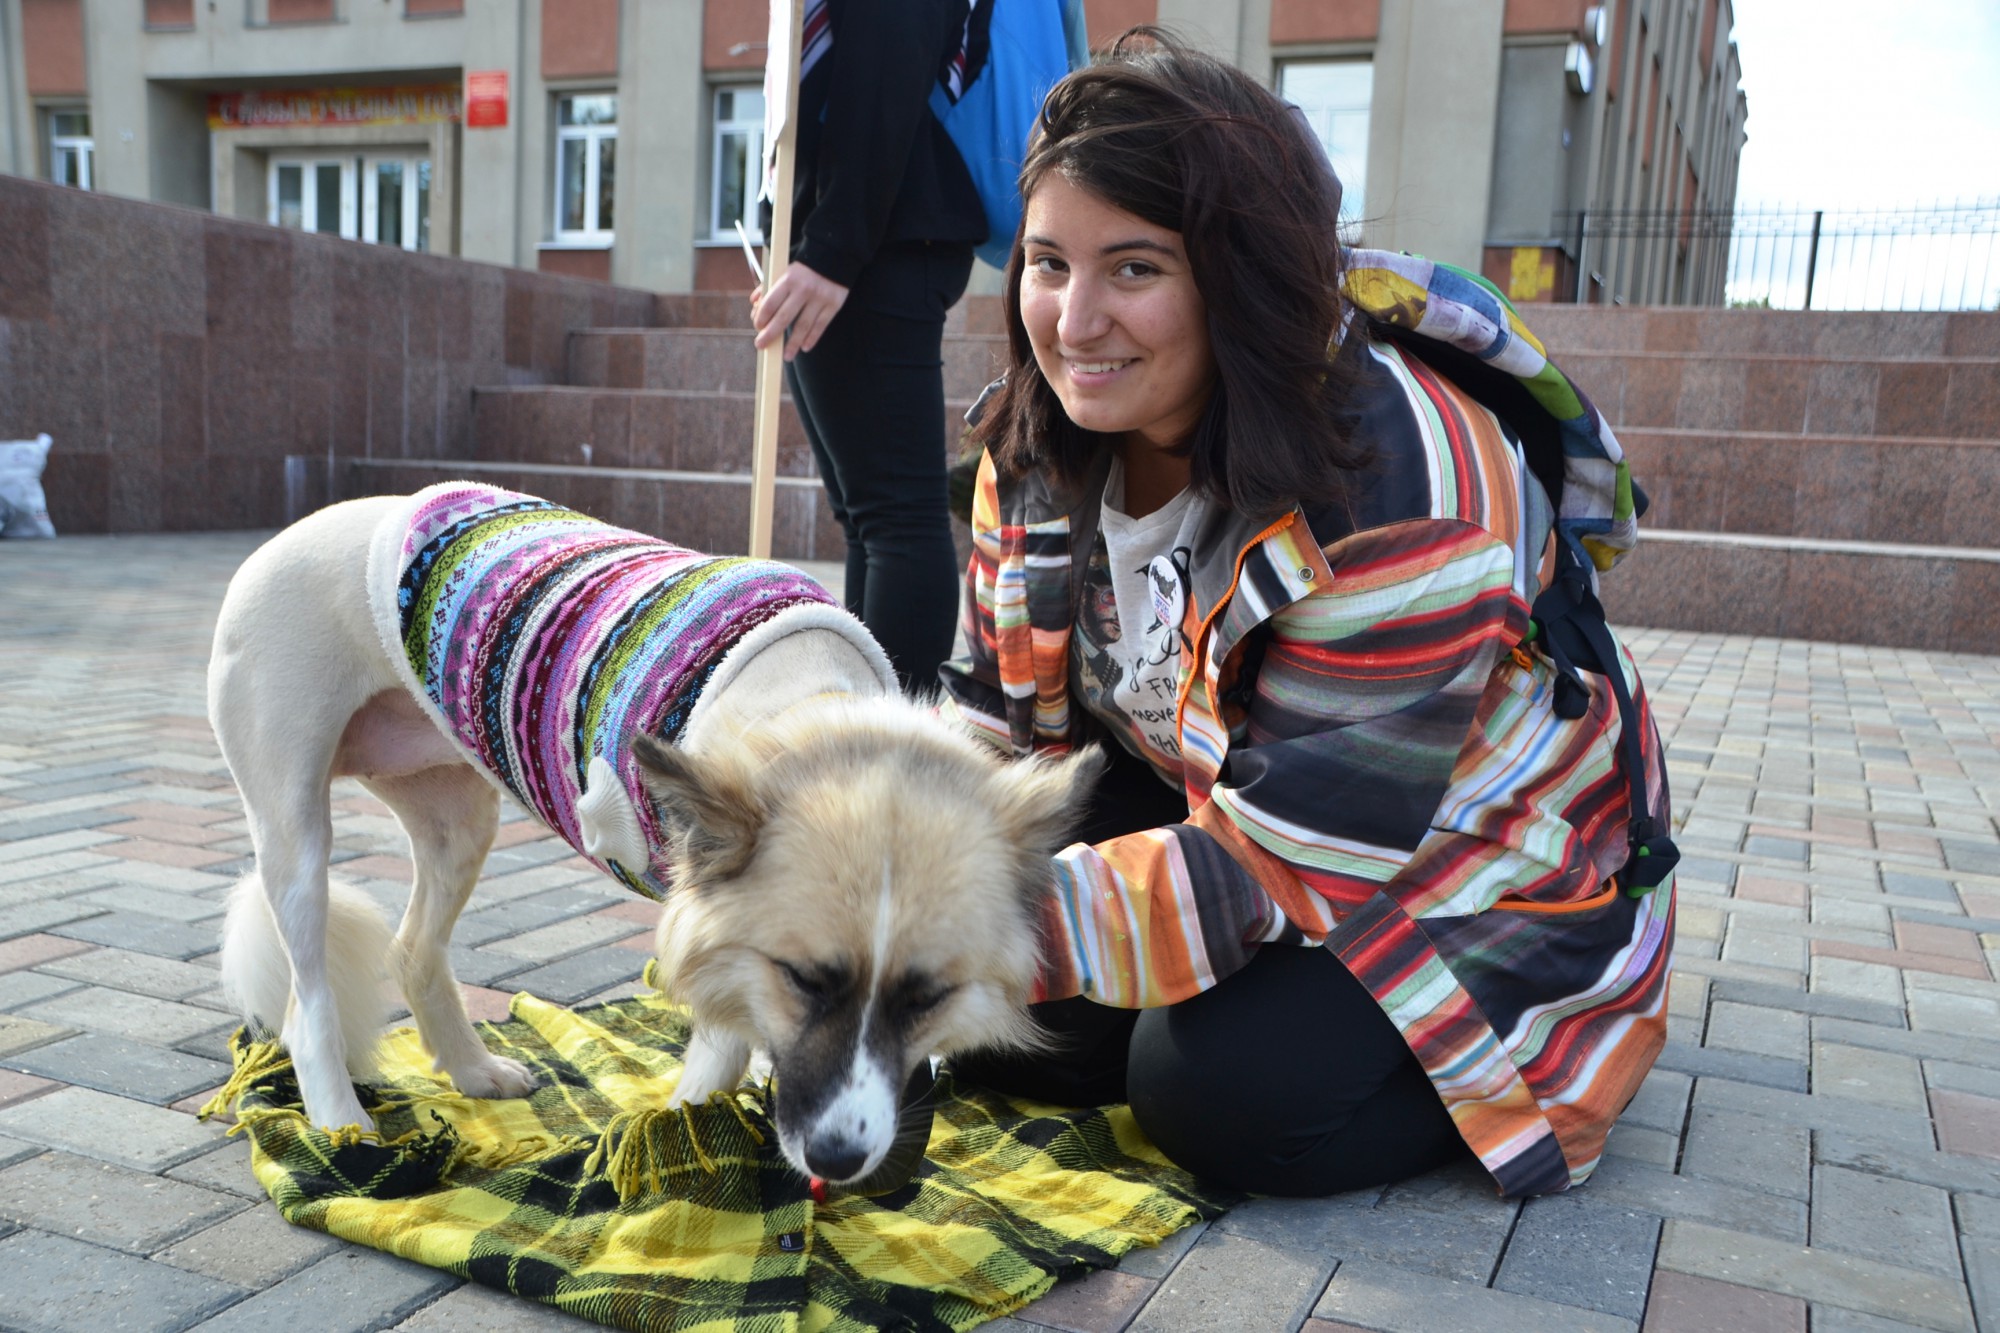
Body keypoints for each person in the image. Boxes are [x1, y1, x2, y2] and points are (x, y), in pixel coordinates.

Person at [941, 33, 1677, 1200]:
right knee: (997, 1028)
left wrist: (938, 930)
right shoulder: (1036, 443)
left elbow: (1293, 861)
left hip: (1469, 855)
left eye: (1133, 269)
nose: (1073, 322)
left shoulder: (1403, 486)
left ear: (1241, 276)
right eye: (1045, 262)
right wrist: (896, 860)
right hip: (1217, 779)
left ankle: (1511, 1060)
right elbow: (992, 719)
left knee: (1213, 1092)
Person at [751, 0, 987, 694]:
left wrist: (830, 248)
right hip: (853, 236)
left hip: (874, 239)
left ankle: (890, 757)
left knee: (894, 518)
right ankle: (870, 728)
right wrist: (786, 245)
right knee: (871, 519)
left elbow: (891, 49)